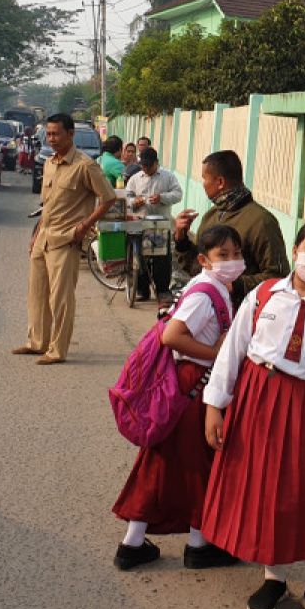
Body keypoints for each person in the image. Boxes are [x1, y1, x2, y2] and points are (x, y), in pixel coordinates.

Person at [200, 220, 305, 609]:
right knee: (263, 491)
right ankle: (275, 578)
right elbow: (233, 349)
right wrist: (215, 404)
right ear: (294, 249)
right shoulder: (264, 294)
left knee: (303, 496)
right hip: (256, 397)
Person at [111, 225, 245, 571]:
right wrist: (215, 352)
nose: (231, 261)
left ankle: (133, 543)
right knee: (200, 464)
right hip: (194, 387)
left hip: (187, 385)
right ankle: (198, 545)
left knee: (160, 463)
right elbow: (172, 336)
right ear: (204, 259)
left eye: (236, 254)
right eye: (222, 255)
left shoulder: (211, 288)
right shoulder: (205, 295)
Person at [13, 114, 117, 365]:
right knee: (36, 293)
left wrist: (84, 227)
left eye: (56, 134)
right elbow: (47, 205)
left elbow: (109, 198)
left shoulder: (85, 165)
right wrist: (37, 232)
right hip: (44, 237)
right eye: (48, 134)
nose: (52, 139)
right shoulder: (49, 163)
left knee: (60, 298)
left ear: (70, 134)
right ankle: (37, 342)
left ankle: (57, 350)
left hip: (66, 239)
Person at [172, 150, 289, 306]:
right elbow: (198, 267)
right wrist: (182, 240)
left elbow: (278, 277)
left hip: (244, 314)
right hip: (208, 309)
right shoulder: (211, 216)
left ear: (220, 182)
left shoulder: (262, 221)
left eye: (204, 179)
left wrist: (236, 286)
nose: (203, 184)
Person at [126, 148, 184, 301]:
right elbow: (127, 196)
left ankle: (162, 290)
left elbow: (178, 194)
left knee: (161, 259)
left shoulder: (168, 177)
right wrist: (134, 201)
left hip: (160, 225)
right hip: (140, 224)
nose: (145, 168)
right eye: (143, 165)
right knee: (139, 257)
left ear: (156, 163)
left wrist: (162, 197)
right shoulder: (135, 178)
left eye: (149, 165)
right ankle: (142, 290)